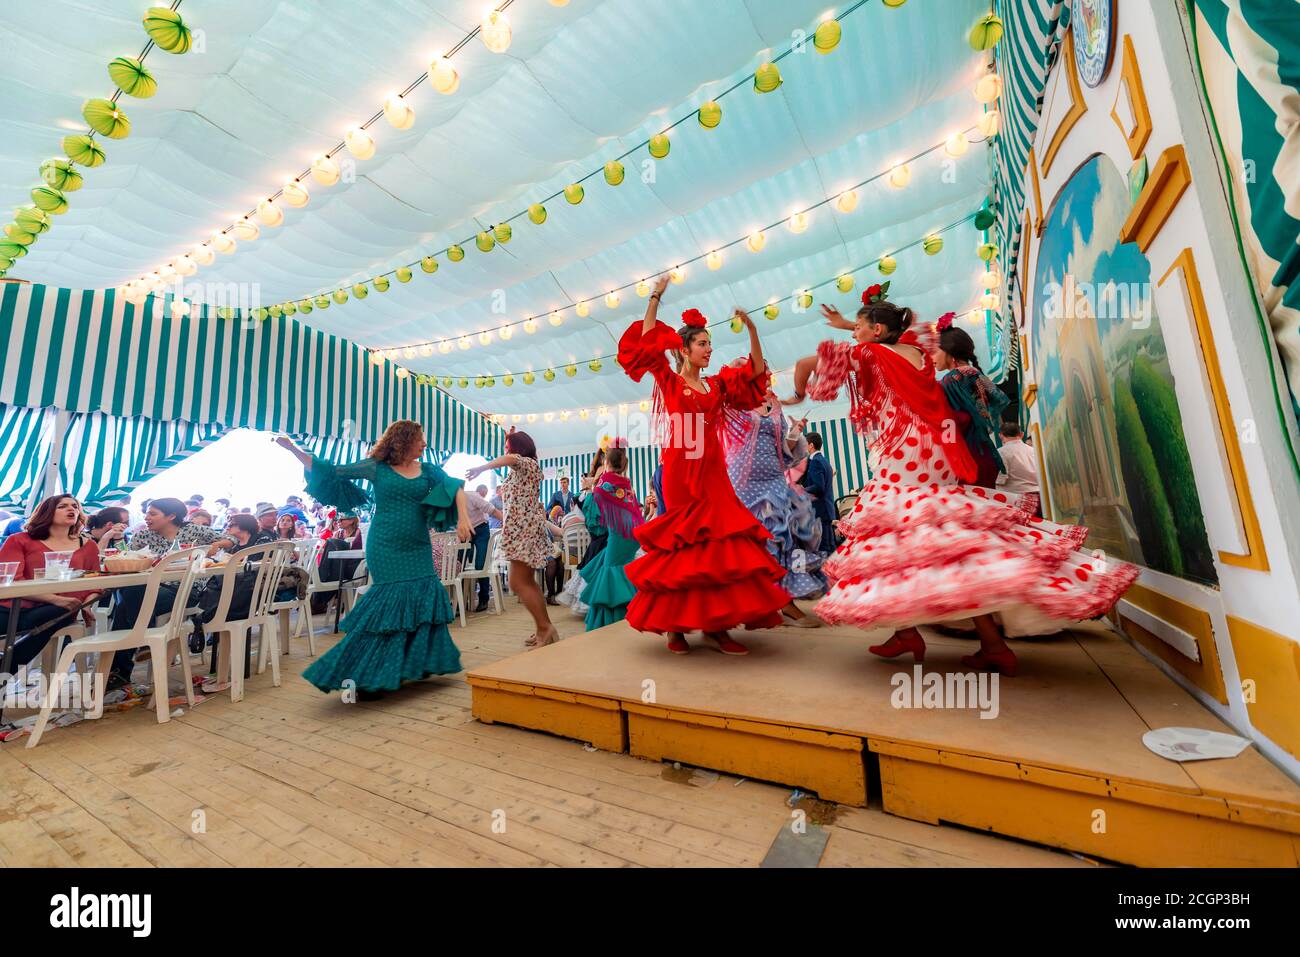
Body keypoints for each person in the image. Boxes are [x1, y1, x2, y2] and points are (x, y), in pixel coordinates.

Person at [787, 293, 1140, 675]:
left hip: (903, 450)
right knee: (943, 542)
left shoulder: (872, 355)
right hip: (936, 450)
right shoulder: (916, 352)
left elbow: (806, 363)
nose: (853, 334)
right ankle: (984, 642)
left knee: (896, 537)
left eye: (859, 327)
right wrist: (849, 327)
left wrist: (798, 393)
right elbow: (891, 339)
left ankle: (910, 632)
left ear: (877, 330)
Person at [616, 275, 788, 656]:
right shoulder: (670, 380)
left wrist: (754, 330)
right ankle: (675, 629)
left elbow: (756, 370)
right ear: (685, 349)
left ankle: (717, 626)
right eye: (703, 343)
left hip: (713, 472)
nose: (709, 349)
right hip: (679, 470)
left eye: (711, 343)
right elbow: (647, 338)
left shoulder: (717, 386)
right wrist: (656, 296)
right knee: (683, 548)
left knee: (718, 547)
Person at [277, 422, 470, 698]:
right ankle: (366, 672)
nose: (425, 445)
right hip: (385, 545)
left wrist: (463, 517)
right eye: (420, 440)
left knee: (421, 599)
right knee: (388, 606)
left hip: (417, 544)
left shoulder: (428, 470)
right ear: (403, 441)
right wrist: (292, 449)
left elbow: (455, 487)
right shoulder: (375, 467)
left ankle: (408, 665)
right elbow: (332, 471)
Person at [725, 377, 825, 625]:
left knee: (786, 535)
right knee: (753, 541)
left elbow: (785, 451)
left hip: (774, 478)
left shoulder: (774, 404)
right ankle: (755, 603)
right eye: (760, 371)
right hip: (745, 482)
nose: (765, 376)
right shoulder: (735, 403)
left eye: (766, 371)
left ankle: (786, 601)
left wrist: (794, 432)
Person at [106, 497, 223, 690]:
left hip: (185, 590)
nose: (147, 517)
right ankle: (143, 639)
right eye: (147, 513)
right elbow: (125, 558)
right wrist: (118, 539)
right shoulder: (142, 536)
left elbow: (231, 538)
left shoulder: (193, 530)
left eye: (153, 513)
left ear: (171, 516)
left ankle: (120, 672)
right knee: (129, 595)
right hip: (146, 589)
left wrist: (215, 547)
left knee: (124, 606)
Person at [466, 430, 558, 648]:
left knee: (517, 582)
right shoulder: (523, 468)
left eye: (508, 447)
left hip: (523, 530)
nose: (505, 451)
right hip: (521, 529)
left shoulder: (525, 463)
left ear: (518, 448)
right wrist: (509, 438)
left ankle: (545, 628)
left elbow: (510, 458)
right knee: (525, 582)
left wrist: (482, 467)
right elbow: (509, 459)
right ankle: (543, 628)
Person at [0, 496, 102, 674]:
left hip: (57, 611)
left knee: (59, 613)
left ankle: (3, 671)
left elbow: (94, 581)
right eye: (62, 506)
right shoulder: (19, 540)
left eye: (75, 506)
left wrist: (88, 604)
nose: (71, 509)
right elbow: (10, 580)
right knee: (55, 616)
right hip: (13, 608)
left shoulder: (88, 545)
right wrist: (55, 599)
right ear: (46, 512)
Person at [576, 442, 645, 630]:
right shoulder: (626, 483)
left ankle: (609, 621)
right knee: (622, 569)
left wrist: (589, 486)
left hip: (618, 533)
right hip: (631, 534)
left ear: (606, 462)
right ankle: (630, 611)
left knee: (611, 570)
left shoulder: (605, 483)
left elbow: (594, 502)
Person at [936, 316, 1010, 488]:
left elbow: (957, 419)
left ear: (948, 350)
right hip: (983, 451)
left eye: (934, 350)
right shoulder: (972, 372)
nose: (931, 356)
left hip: (968, 456)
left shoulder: (953, 378)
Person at [463, 483, 503, 613]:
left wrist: (509, 523)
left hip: (481, 528)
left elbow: (492, 510)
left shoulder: (472, 496)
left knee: (481, 564)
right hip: (465, 530)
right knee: (460, 562)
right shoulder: (448, 504)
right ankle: (462, 601)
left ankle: (483, 598)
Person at [799, 432, 836, 555]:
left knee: (824, 549)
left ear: (810, 445)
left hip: (820, 511)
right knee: (829, 548)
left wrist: (801, 490)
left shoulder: (816, 462)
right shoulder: (824, 461)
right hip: (827, 510)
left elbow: (819, 487)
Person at [996, 420, 1040, 513]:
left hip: (1017, 498)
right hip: (1039, 496)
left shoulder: (1000, 452)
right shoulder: (1033, 450)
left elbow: (1001, 478)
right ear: (1022, 434)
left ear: (1000, 435)